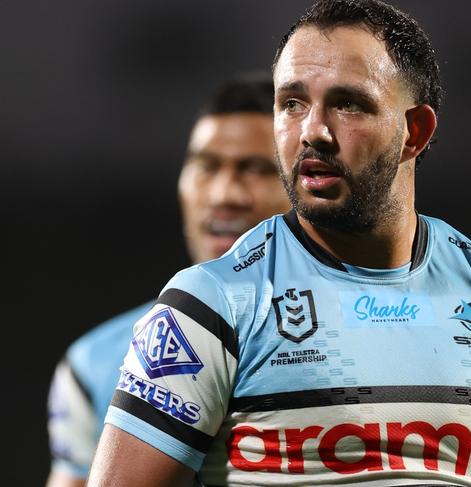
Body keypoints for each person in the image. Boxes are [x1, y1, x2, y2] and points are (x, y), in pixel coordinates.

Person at [87, 1, 471, 486]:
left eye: (348, 104)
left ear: (413, 132)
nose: (313, 131)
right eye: (292, 103)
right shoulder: (211, 306)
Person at [46, 73, 290, 487]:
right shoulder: (93, 364)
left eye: (256, 169)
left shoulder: (367, 337)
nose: (223, 194)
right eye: (206, 166)